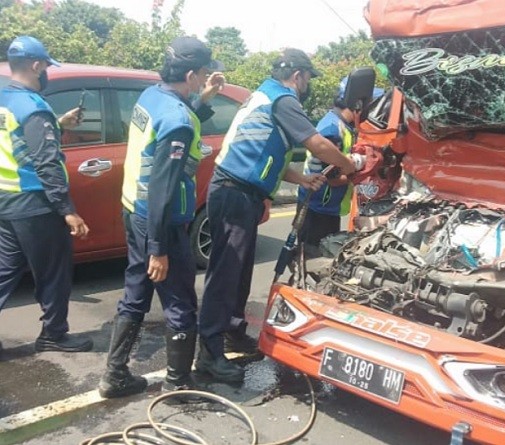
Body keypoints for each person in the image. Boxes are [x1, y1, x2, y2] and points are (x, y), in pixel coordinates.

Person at [197, 48, 359, 383]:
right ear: (298, 76)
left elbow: (267, 151)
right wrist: (352, 165)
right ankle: (209, 354)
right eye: (308, 78)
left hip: (242, 192)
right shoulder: (284, 100)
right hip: (234, 192)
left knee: (239, 270)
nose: (308, 85)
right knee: (225, 273)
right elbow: (317, 144)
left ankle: (232, 331)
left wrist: (301, 179)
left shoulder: (265, 93)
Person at [98, 36, 226, 399]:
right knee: (181, 302)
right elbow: (162, 186)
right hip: (162, 222)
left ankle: (115, 375)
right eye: (203, 74)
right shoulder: (177, 120)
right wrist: (159, 248)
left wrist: (205, 98)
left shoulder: (151, 96)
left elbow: (178, 117)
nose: (204, 79)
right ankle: (178, 383)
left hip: (134, 212)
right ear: (190, 73)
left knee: (136, 293)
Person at [0, 35, 93, 357]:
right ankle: (54, 334)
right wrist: (68, 209)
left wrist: (58, 122)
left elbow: (17, 140)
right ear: (36, 65)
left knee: (6, 270)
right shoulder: (34, 107)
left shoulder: (5, 98)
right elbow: (46, 163)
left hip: (7, 199)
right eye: (45, 67)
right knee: (54, 272)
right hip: (35, 204)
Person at [297, 77, 382, 250]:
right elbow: (332, 179)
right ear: (358, 104)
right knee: (315, 259)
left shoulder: (341, 124)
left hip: (326, 207)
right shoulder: (332, 130)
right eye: (371, 105)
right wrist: (366, 173)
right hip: (318, 209)